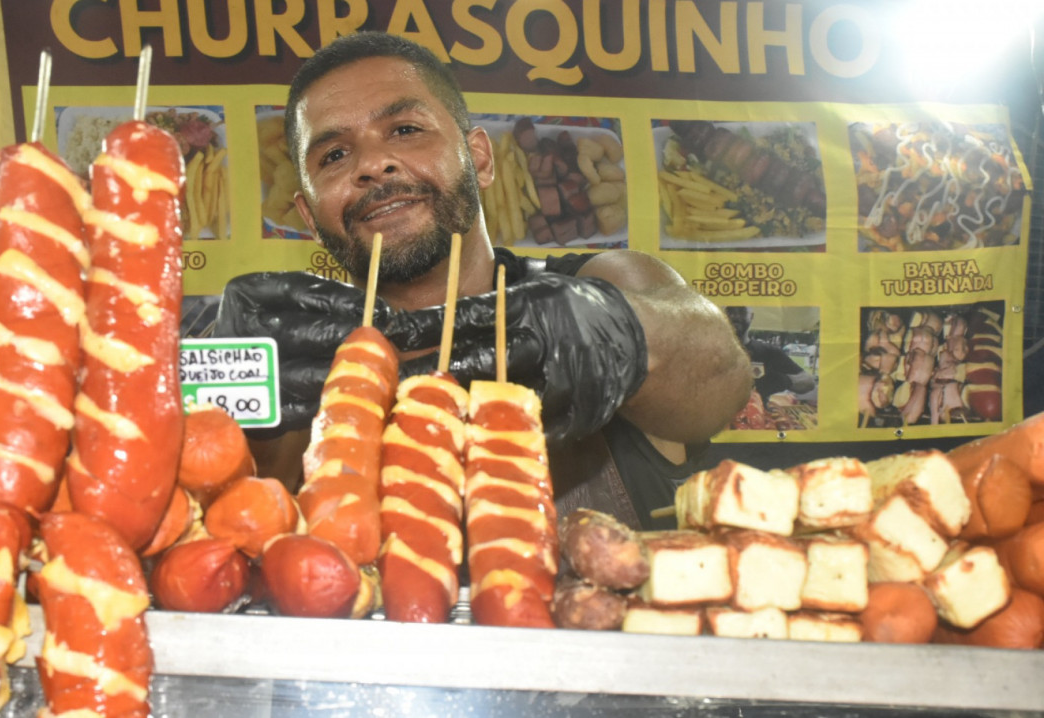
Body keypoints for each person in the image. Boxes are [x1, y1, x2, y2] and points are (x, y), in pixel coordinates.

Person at [216, 31, 752, 528]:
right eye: (335, 154)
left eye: (405, 130)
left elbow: (722, 375)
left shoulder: (603, 279)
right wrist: (220, 391)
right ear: (309, 219)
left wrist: (625, 332)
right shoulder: (295, 364)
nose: (374, 163)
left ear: (479, 158)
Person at [724, 306, 815, 406]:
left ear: (751, 316)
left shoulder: (769, 352)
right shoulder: (711, 351)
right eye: (730, 312)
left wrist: (786, 381)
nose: (735, 316)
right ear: (723, 316)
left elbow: (808, 382)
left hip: (756, 417)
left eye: (742, 312)